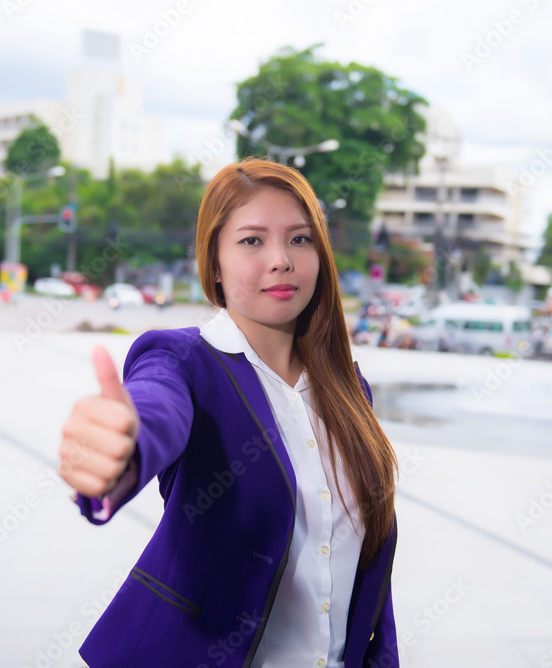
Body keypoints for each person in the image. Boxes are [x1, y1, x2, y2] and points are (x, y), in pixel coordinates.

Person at [58, 159, 400, 667]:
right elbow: (156, 410)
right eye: (252, 241)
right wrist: (123, 450)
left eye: (300, 239)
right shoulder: (183, 362)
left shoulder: (350, 391)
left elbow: (370, 584)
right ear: (213, 264)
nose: (281, 259)